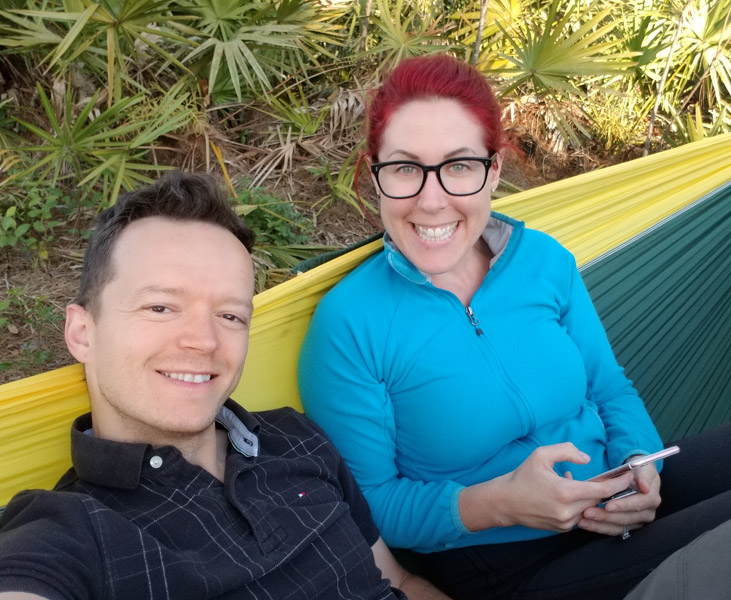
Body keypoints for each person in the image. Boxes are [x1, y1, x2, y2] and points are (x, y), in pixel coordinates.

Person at [297, 53, 731, 599]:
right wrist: (501, 502)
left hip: (616, 492)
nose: (432, 198)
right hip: (509, 561)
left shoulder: (543, 260)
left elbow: (609, 386)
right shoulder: (350, 323)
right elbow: (372, 504)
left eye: (459, 166)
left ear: (493, 171)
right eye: (404, 168)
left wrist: (640, 463)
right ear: (375, 175)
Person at [0, 172, 451, 600]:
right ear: (82, 332)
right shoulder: (66, 532)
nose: (205, 341)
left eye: (231, 316)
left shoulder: (297, 439)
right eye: (160, 307)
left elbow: (399, 581)